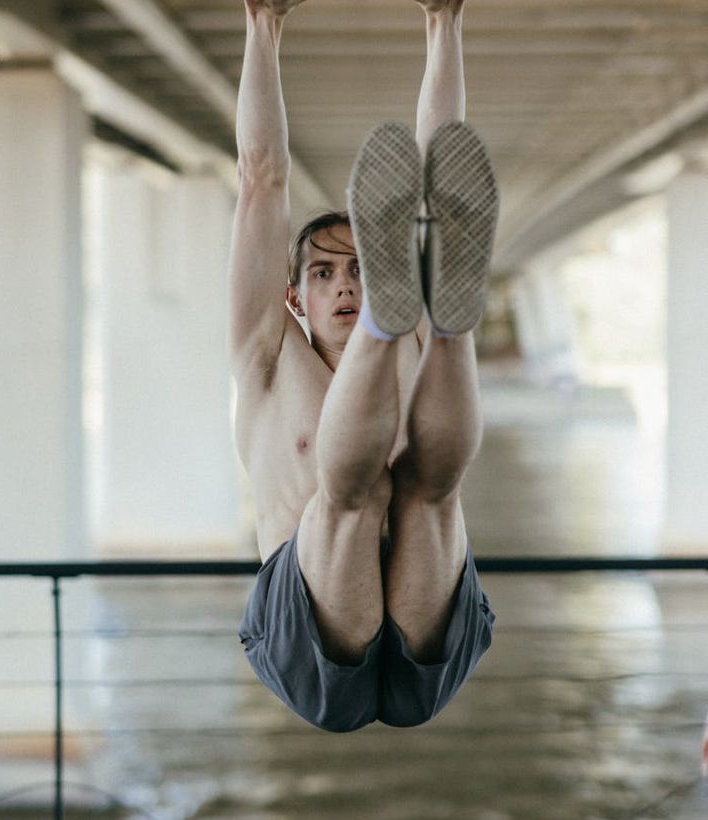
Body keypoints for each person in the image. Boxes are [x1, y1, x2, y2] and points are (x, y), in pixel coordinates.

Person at [232, 0, 498, 732]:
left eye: (361, 270)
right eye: (324, 273)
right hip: (304, 636)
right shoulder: (266, 357)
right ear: (294, 296)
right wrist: (263, 25)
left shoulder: (408, 340)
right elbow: (261, 181)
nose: (343, 282)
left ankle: (449, 321)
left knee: (430, 487)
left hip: (430, 617)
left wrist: (444, 22)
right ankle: (419, 313)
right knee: (348, 492)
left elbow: (439, 168)